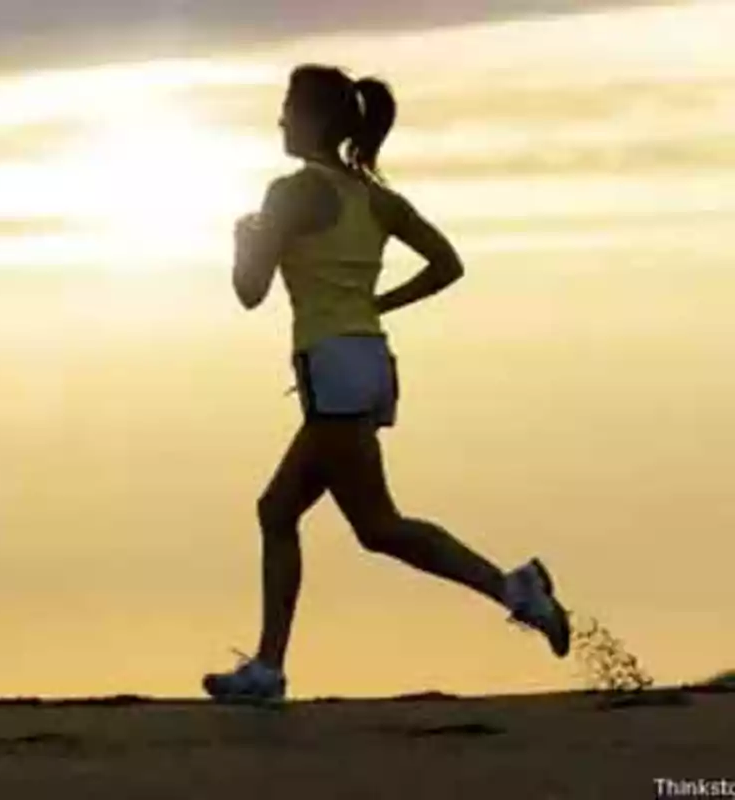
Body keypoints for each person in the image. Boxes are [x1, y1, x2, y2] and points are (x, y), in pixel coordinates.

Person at [202, 64, 571, 705]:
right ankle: (267, 667)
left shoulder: (290, 192)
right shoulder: (372, 196)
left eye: (288, 108)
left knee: (379, 524)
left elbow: (250, 292)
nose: (281, 120)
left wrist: (243, 242)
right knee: (283, 511)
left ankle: (516, 590)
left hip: (332, 369)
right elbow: (447, 264)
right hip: (370, 362)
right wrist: (377, 305)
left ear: (313, 117)